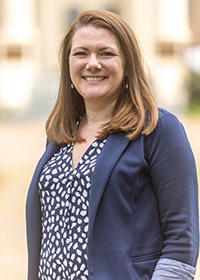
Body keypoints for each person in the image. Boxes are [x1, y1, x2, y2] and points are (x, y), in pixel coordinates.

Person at [26, 9, 199, 280]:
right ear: (68, 64)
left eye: (106, 53)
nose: (92, 63)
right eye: (81, 53)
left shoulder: (158, 129)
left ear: (128, 63)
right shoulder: (60, 136)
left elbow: (181, 239)